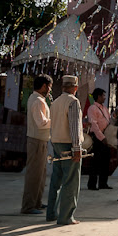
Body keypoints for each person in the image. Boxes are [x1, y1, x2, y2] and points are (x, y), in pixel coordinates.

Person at [46, 75, 83, 226]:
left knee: (57, 180)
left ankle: (51, 213)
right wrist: (77, 148)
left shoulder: (55, 102)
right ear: (75, 88)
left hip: (56, 142)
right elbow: (74, 127)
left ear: (63, 87)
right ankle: (66, 217)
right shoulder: (73, 102)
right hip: (68, 145)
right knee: (71, 181)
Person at [20, 74, 53, 214]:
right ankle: (28, 206)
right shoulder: (37, 100)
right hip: (36, 140)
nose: (50, 90)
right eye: (49, 87)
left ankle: (37, 203)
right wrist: (56, 120)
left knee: (40, 174)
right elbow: (41, 123)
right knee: (34, 174)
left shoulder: (39, 99)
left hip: (41, 140)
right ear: (44, 86)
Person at [87, 87, 112, 190]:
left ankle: (103, 183)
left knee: (105, 161)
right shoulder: (92, 108)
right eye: (103, 96)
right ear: (98, 96)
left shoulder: (104, 109)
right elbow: (94, 125)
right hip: (97, 138)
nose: (104, 98)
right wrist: (101, 137)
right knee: (95, 162)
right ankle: (92, 184)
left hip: (105, 137)